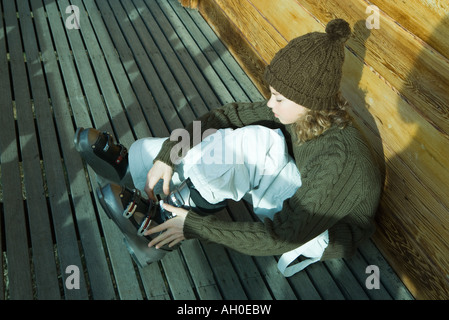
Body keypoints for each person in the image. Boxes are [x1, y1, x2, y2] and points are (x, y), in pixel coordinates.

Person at [75, 19, 382, 276]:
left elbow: (284, 235)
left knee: (252, 143)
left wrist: (195, 226)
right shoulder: (303, 113)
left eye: (278, 98)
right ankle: (136, 167)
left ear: (309, 101)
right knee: (209, 141)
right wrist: (169, 153)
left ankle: (167, 226)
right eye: (271, 93)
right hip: (294, 194)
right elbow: (223, 117)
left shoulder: (340, 161)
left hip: (315, 232)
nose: (269, 103)